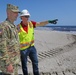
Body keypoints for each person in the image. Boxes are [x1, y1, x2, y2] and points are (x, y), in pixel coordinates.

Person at [17, 9, 58, 75]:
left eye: (28, 16)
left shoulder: (31, 23)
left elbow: (40, 23)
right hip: (23, 50)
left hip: (32, 48)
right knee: (24, 66)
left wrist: (49, 21)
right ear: (21, 17)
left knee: (35, 63)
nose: (28, 18)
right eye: (26, 16)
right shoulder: (18, 27)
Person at [0, 4, 20, 75]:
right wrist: (8, 64)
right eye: (15, 12)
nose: (17, 14)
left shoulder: (13, 26)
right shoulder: (4, 26)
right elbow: (2, 47)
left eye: (17, 13)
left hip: (14, 61)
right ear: (8, 13)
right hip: (8, 64)